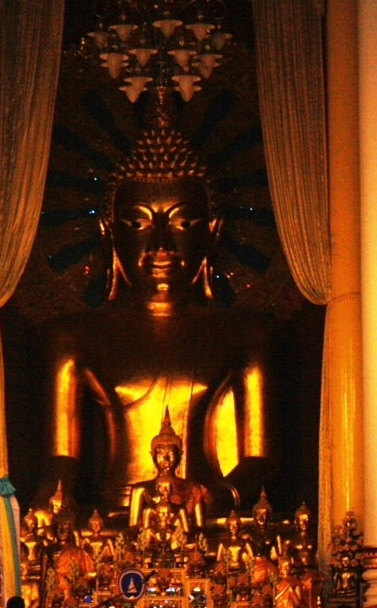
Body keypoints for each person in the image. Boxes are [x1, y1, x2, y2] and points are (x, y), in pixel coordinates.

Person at [37, 97, 277, 525]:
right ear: (108, 232)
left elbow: (258, 458)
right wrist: (44, 506)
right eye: (139, 224)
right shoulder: (73, 335)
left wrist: (211, 497)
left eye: (183, 224)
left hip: (210, 522)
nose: (162, 246)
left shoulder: (245, 333)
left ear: (213, 232)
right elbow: (62, 458)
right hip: (110, 522)